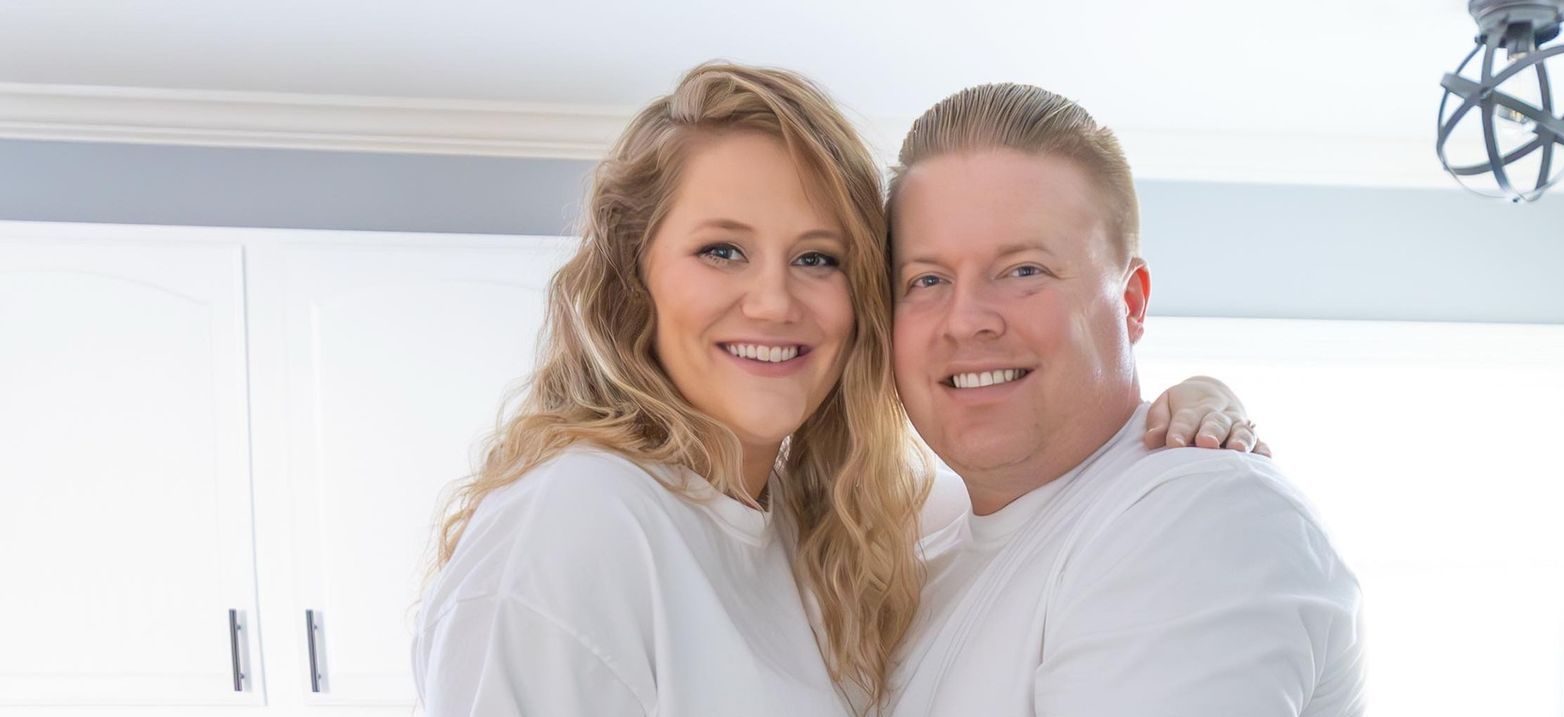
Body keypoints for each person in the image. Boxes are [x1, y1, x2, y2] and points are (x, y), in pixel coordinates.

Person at [411, 63, 1266, 716]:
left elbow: (1045, 485)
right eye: (722, 249)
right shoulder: (575, 524)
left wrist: (1193, 395)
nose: (775, 300)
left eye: (818, 257)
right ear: (635, 278)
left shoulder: (831, 524)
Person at [884, 83, 1365, 716]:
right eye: (927, 280)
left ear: (1131, 302)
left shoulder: (1196, 513)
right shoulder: (922, 555)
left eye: (1024, 270)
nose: (965, 319)